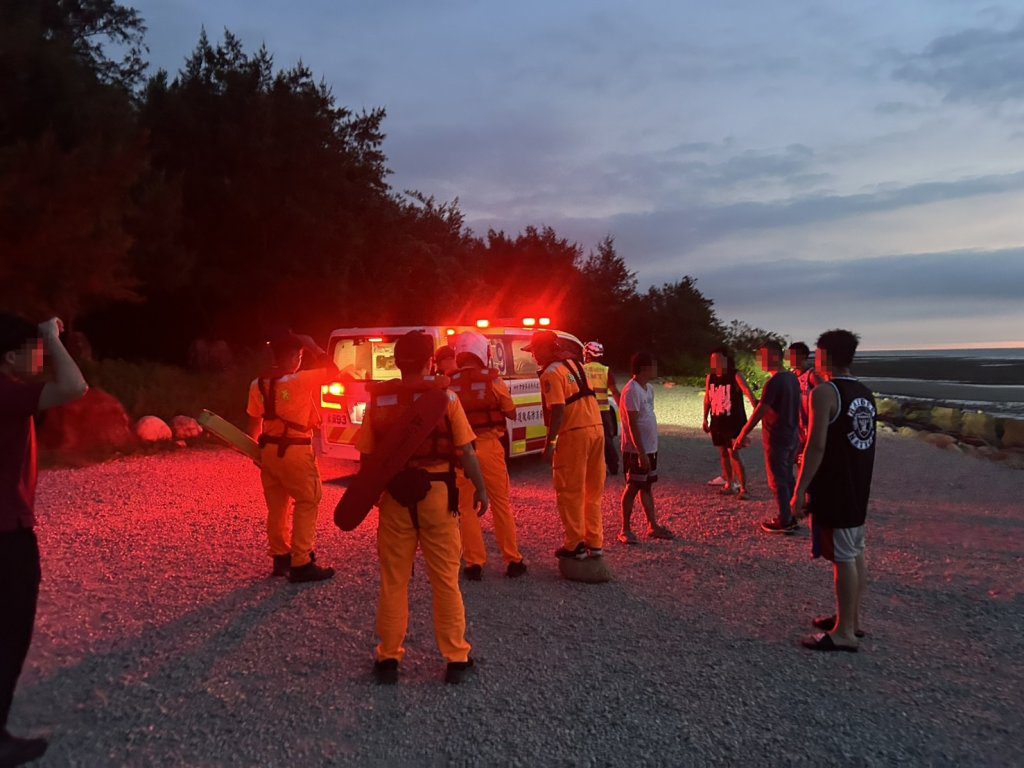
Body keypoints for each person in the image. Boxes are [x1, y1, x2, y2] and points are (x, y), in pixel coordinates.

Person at [355, 331, 490, 684]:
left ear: (396, 363)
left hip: (396, 499)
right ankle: (456, 659)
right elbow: (467, 452)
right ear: (430, 361)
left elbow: (367, 458)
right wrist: (481, 488)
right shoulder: (445, 398)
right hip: (438, 497)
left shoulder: (379, 402)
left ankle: (388, 659)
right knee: (445, 581)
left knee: (394, 581)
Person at [1, 315, 88, 767]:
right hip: (7, 532)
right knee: (10, 634)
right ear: (11, 357)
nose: (39, 356)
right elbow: (75, 388)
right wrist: (53, 338)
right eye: (31, 348)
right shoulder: (8, 391)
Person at [792, 329, 876, 652]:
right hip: (858, 484)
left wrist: (799, 490)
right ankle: (850, 619)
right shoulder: (865, 394)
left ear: (824, 356)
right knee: (855, 553)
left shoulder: (825, 393)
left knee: (843, 557)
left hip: (836, 487)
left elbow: (816, 447)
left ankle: (844, 634)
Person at [247, 330, 337, 583]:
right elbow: (334, 371)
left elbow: (253, 420)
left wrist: (255, 452)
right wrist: (313, 346)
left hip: (269, 452)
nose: (300, 359)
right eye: (299, 355)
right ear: (292, 356)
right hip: (296, 451)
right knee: (308, 499)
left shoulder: (258, 383)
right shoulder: (298, 381)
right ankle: (302, 562)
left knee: (277, 506)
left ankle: (281, 557)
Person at [449, 332, 526, 580]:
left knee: (465, 508)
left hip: (461, 452)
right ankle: (512, 559)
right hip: (489, 447)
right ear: (484, 354)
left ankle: (474, 564)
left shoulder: (449, 383)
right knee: (501, 503)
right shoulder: (494, 380)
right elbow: (511, 412)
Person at [526, 330, 605, 560]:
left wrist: (550, 442)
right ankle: (595, 542)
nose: (534, 357)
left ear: (545, 348)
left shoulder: (551, 373)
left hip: (573, 434)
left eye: (534, 351)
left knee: (569, 490)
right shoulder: (577, 365)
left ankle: (575, 545)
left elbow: (558, 408)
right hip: (596, 428)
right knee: (593, 490)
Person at [734, 340, 802, 534]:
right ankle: (792, 515)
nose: (760, 361)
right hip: (792, 434)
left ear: (774, 356)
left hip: (777, 437)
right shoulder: (791, 378)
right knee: (787, 476)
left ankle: (784, 520)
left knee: (777, 480)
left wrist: (742, 433)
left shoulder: (775, 381)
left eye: (762, 356)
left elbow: (760, 412)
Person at [617, 352, 673, 544]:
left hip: (649, 447)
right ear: (643, 369)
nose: (655, 370)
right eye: (652, 366)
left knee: (647, 486)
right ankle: (625, 529)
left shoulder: (648, 389)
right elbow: (631, 424)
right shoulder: (631, 390)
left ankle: (653, 525)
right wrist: (640, 452)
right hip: (636, 450)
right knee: (633, 486)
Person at [702, 347, 756, 499]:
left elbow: (747, 391)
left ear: (726, 360)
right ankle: (729, 484)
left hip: (733, 422)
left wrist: (755, 407)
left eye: (719, 359)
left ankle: (744, 488)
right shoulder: (710, 377)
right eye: (713, 360)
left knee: (734, 453)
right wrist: (705, 418)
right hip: (717, 421)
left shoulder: (735, 375)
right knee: (723, 453)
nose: (716, 362)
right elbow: (707, 398)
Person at [583, 341, 621, 476]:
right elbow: (615, 391)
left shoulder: (581, 369)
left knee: (587, 439)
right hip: (603, 410)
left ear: (587, 354)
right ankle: (613, 465)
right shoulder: (606, 370)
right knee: (606, 438)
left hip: (586, 410)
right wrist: (623, 409)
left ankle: (591, 468)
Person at [788, 342, 822, 464]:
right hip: (795, 427)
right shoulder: (791, 376)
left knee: (808, 460)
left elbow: (824, 397)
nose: (790, 359)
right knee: (796, 459)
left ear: (802, 356)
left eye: (793, 355)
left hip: (809, 426)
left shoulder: (812, 375)